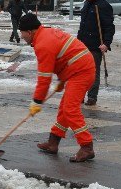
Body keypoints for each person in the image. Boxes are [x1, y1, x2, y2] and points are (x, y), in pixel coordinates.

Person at [18, 14, 96, 162]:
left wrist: (37, 101)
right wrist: (62, 79)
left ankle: (87, 147)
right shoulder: (44, 33)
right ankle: (53, 143)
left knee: (70, 109)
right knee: (65, 108)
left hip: (81, 72)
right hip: (77, 69)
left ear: (29, 32)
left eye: (22, 32)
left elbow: (44, 79)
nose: (21, 36)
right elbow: (63, 56)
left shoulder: (43, 44)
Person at [77, 0, 115, 106]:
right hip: (82, 44)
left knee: (93, 72)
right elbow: (82, 25)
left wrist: (106, 43)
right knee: (80, 72)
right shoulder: (87, 3)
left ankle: (92, 97)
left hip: (95, 45)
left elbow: (109, 27)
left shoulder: (103, 6)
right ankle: (80, 95)